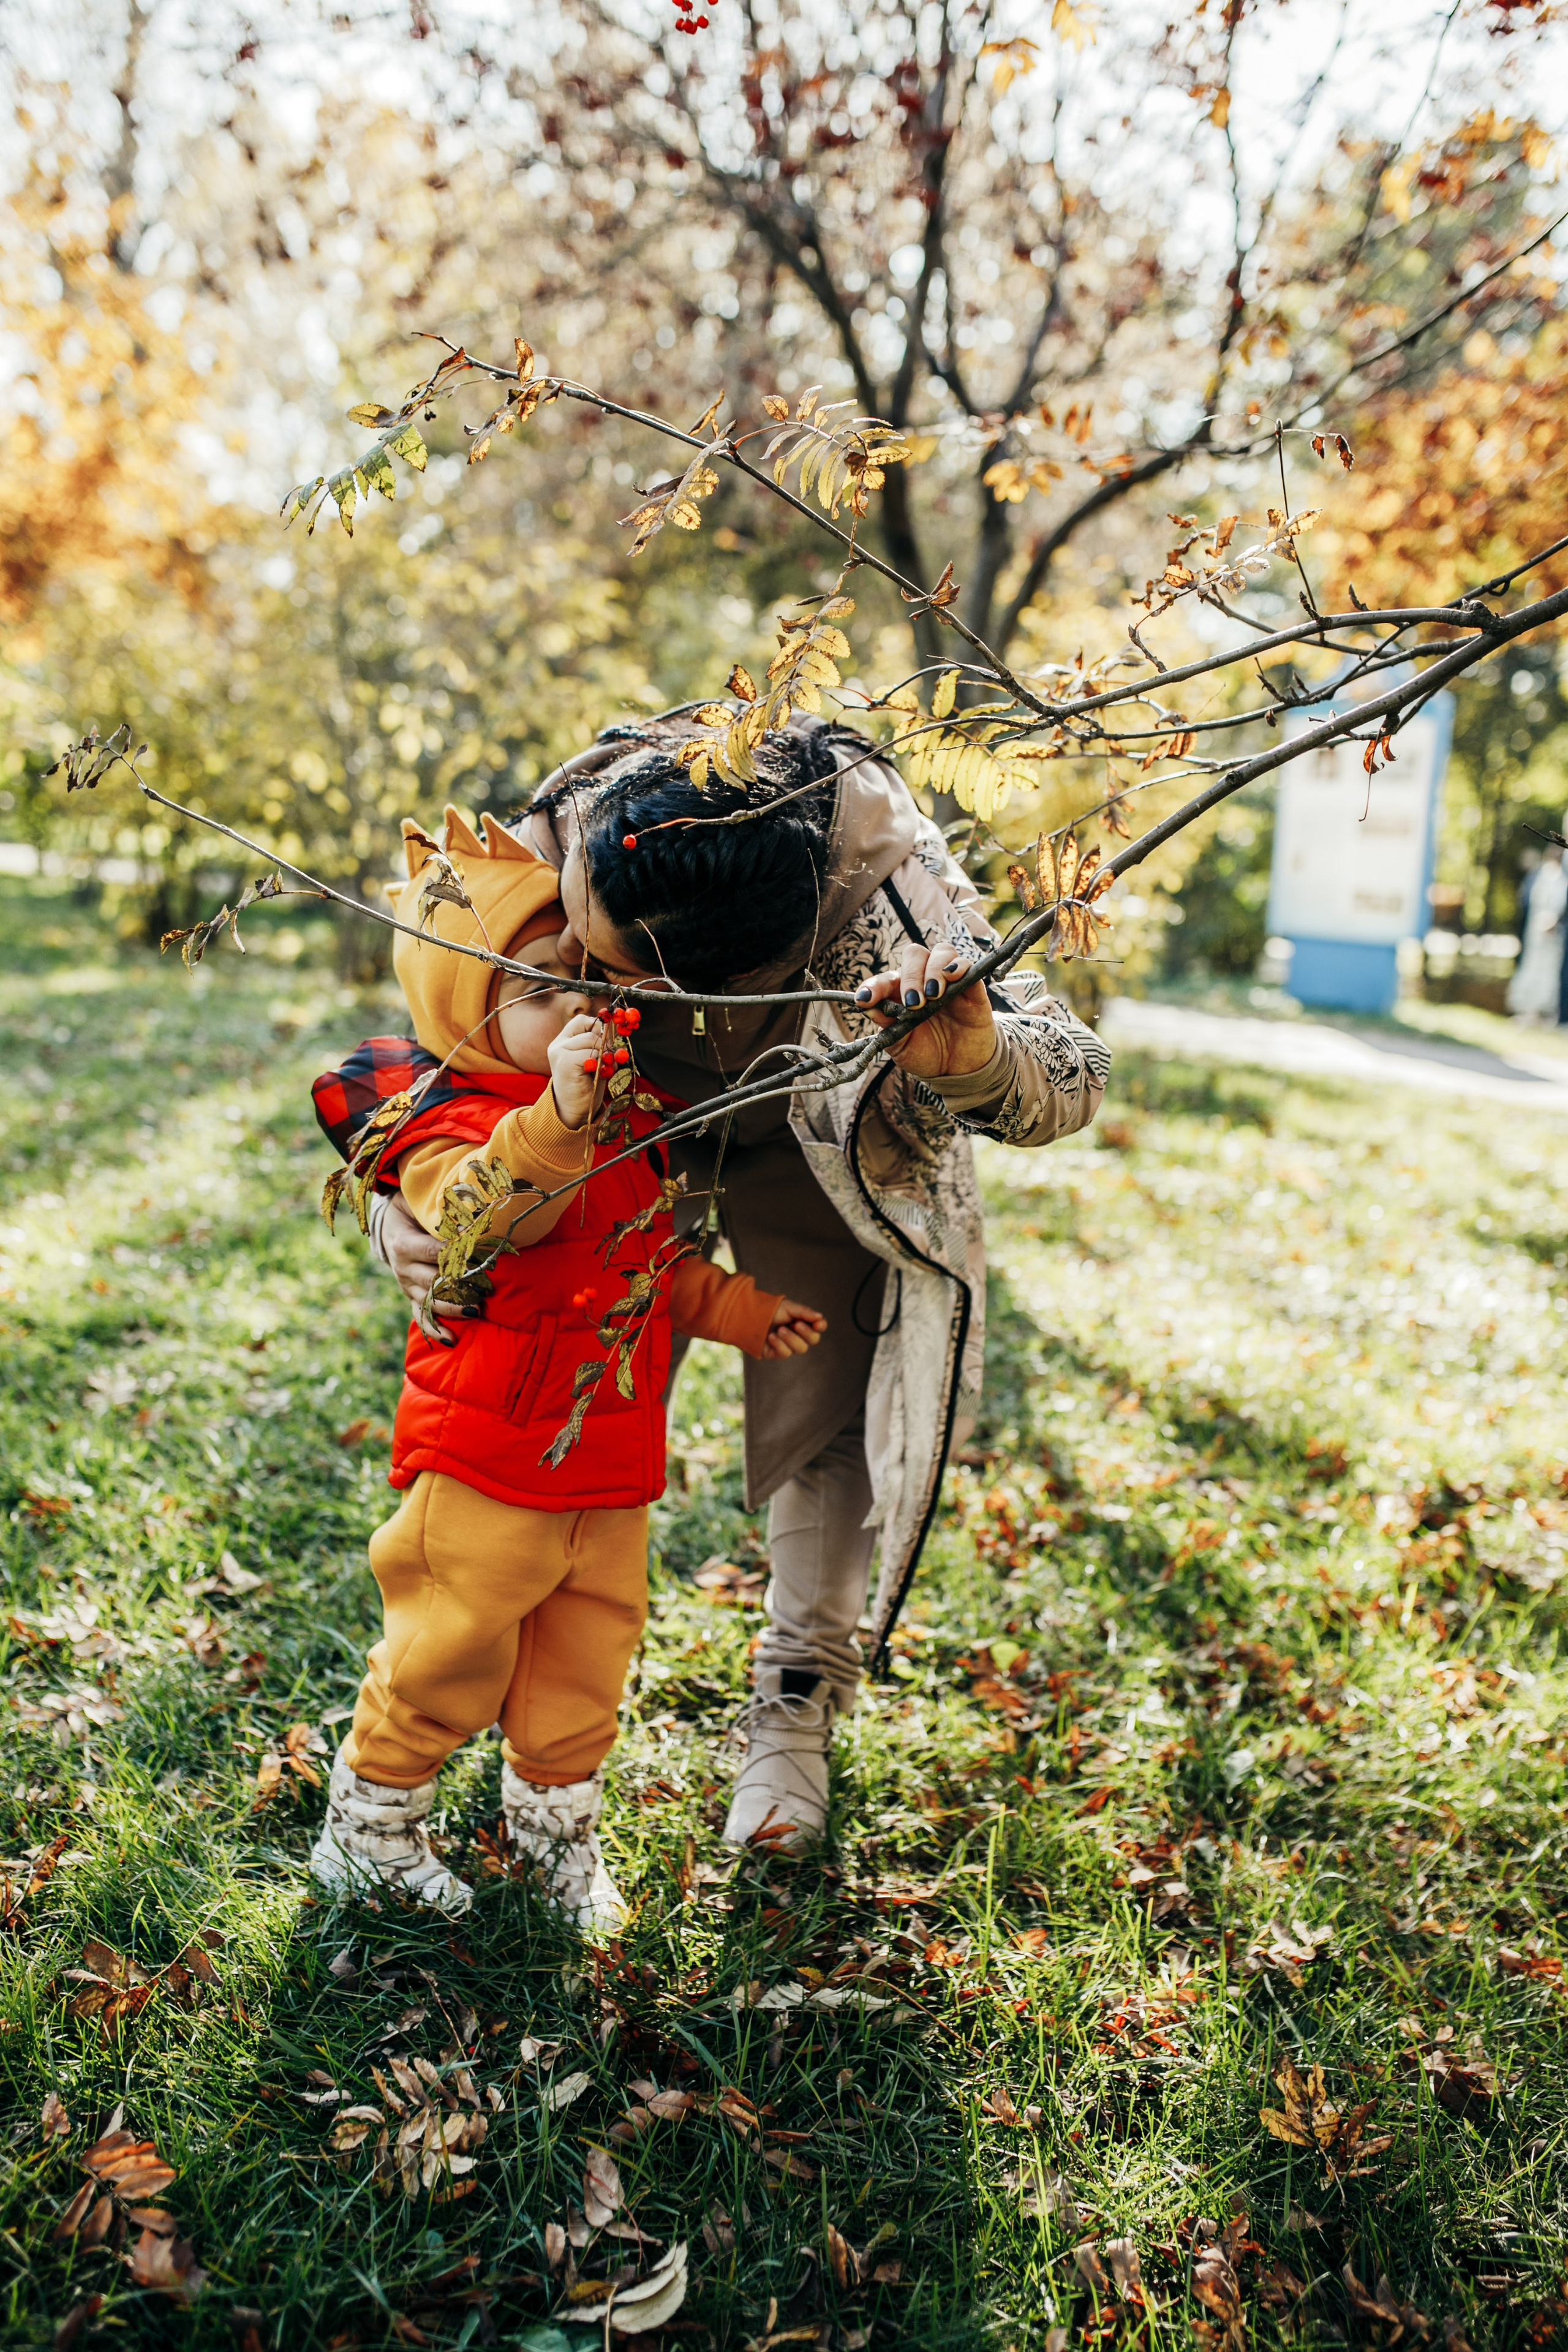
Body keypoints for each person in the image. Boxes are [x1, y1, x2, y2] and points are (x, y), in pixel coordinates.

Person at [369, 713, 1110, 1851]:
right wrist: (398, 1197)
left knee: (831, 1387)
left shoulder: (895, 905)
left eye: (605, 965)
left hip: (819, 1141)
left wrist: (971, 1060)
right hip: (606, 1129)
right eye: (567, 931)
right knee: (566, 1380)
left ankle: (797, 1702)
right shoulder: (589, 816)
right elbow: (450, 1006)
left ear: (746, 972)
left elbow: (1070, 1075)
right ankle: (511, 1669)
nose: (570, 968)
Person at [310, 808, 825, 1920]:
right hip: (490, 1462)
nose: (582, 1005)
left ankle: (553, 1838)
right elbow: (497, 1218)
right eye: (540, 987)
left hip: (609, 1466)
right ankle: (372, 1826)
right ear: (468, 1010)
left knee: (584, 1665)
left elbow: (650, 1264)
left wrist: (737, 1309)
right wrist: (556, 1117)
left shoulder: (624, 1121)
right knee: (448, 1649)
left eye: (588, 978)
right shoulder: (448, 1126)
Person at [1509, 834, 1566, 1024]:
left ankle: (1542, 1012)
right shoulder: (1543, 875)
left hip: (1551, 933)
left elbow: (1559, 903)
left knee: (1547, 971)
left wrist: (1553, 919)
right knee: (1532, 967)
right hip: (1536, 931)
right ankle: (1529, 1010)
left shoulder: (1560, 878)